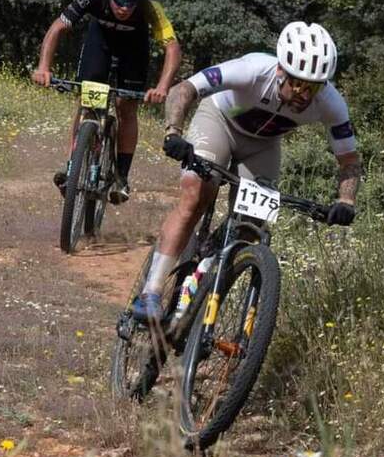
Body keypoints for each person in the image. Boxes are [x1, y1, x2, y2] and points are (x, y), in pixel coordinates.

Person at [132, 20, 359, 321]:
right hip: (219, 122)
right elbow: (183, 89)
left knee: (254, 225)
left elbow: (350, 161)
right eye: (299, 83)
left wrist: (346, 201)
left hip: (263, 145)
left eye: (314, 86)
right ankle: (151, 291)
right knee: (196, 194)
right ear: (281, 71)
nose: (305, 94)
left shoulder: (332, 104)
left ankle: (205, 279)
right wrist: (173, 132)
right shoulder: (252, 69)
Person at [31, 0, 182, 203]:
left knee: (125, 106)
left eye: (131, 2)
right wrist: (43, 67)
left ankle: (121, 177)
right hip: (99, 43)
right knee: (88, 102)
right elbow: (57, 28)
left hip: (134, 50)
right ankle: (74, 165)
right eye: (119, 0)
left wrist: (163, 86)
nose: (125, 7)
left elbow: (172, 47)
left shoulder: (150, 7)